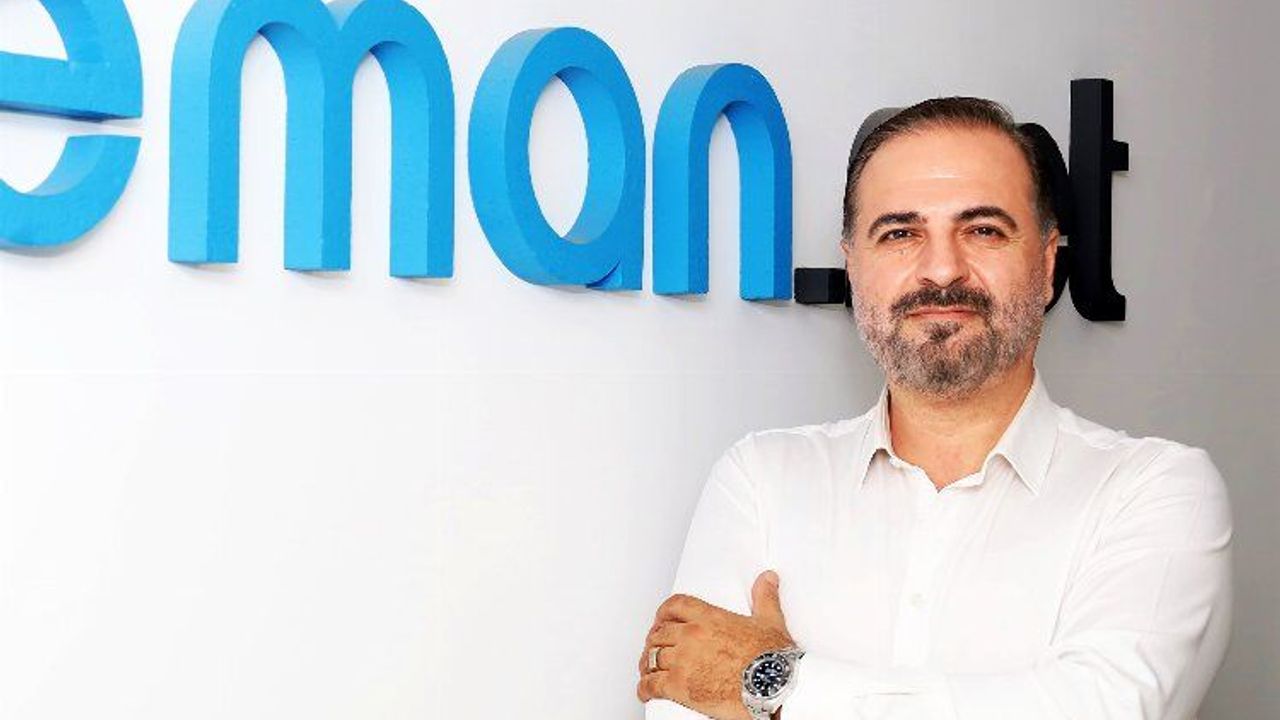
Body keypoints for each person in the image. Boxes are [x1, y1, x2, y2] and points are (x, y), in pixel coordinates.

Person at [635, 97, 1233, 719]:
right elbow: (683, 704)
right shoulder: (760, 479)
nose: (942, 269)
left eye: (983, 230)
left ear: (1047, 262)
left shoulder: (1156, 489)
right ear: (853, 266)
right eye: (900, 233)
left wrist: (772, 684)